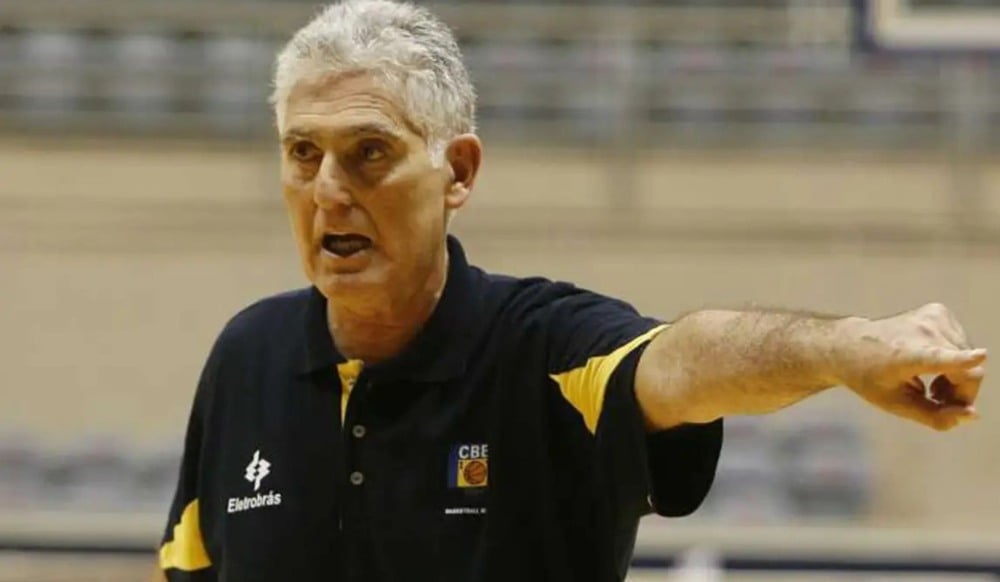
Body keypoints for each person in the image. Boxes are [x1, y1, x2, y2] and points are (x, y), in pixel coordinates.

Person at [156, 1, 988, 580]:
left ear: (458, 172)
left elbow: (684, 362)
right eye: (303, 154)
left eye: (369, 152)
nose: (330, 190)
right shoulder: (247, 356)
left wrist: (843, 348)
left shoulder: (544, 347)